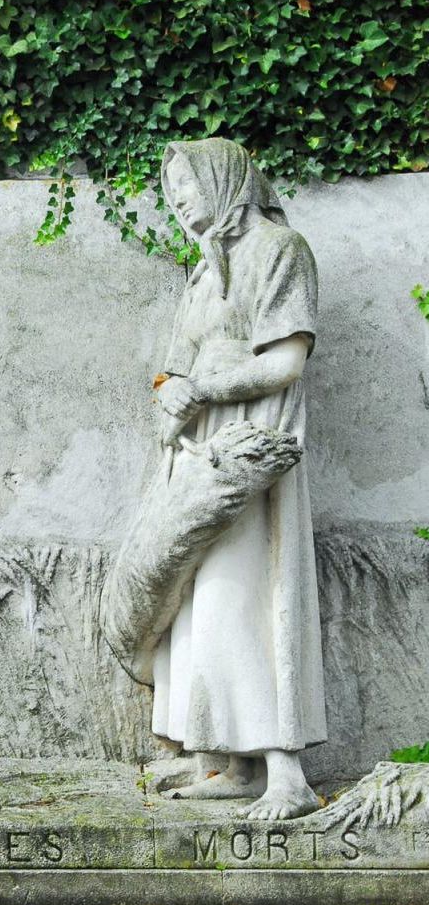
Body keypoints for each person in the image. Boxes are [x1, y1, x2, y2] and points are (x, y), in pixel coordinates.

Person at [150, 137, 327, 820]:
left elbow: (285, 361)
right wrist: (170, 391)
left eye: (186, 185)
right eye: (169, 191)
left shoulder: (281, 250)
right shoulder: (202, 272)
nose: (177, 201)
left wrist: (208, 385)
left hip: (251, 444)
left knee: (247, 595)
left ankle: (286, 773)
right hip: (196, 451)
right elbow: (174, 368)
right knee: (196, 604)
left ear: (225, 179)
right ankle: (227, 764)